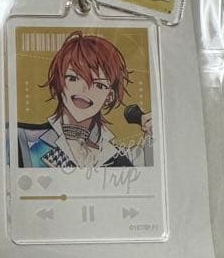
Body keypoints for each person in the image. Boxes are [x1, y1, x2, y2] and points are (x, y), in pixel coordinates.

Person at [17, 31, 153, 169]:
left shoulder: (117, 157)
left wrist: (154, 135)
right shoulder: (22, 138)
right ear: (59, 82)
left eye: (99, 85)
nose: (84, 90)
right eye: (73, 78)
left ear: (109, 97)